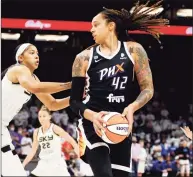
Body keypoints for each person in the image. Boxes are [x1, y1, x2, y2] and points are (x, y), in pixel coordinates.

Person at [69, 1, 169, 177]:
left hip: (120, 124)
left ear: (111, 26)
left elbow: (148, 89)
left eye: (96, 25)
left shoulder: (134, 50)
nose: (91, 29)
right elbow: (74, 101)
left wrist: (132, 107)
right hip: (92, 124)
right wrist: (93, 116)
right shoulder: (83, 58)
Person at [1, 43, 71, 176]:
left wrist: (77, 97)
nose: (37, 56)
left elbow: (52, 104)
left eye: (37, 53)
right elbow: (35, 87)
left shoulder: (34, 79)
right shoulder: (18, 69)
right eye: (32, 53)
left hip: (2, 127)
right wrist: (70, 85)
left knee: (15, 172)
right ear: (20, 58)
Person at [22, 105, 79, 176]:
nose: (41, 118)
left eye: (44, 116)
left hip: (57, 163)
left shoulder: (55, 128)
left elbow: (71, 140)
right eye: (40, 116)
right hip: (43, 163)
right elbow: (33, 151)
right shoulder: (36, 132)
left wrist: (76, 149)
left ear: (49, 117)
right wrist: (23, 164)